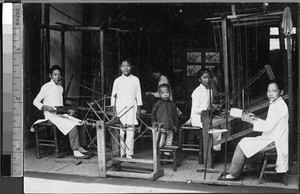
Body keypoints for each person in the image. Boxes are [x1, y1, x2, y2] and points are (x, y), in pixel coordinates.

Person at [222, 80, 289, 180]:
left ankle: (234, 174)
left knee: (242, 144)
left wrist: (251, 121)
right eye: (268, 91)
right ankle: (235, 171)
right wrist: (256, 118)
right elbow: (269, 124)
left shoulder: (279, 107)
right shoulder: (275, 103)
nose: (270, 94)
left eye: (274, 91)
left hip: (275, 142)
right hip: (272, 138)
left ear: (281, 92)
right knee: (243, 142)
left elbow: (268, 127)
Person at [33, 65, 88, 159]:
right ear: (50, 75)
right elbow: (35, 101)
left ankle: (80, 146)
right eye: (55, 75)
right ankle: (75, 150)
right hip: (51, 116)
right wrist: (46, 107)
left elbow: (60, 105)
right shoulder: (46, 87)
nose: (57, 77)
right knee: (72, 126)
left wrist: (67, 111)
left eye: (59, 75)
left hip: (60, 114)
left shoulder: (60, 88)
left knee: (80, 122)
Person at [111, 59, 143, 159]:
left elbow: (138, 95)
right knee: (121, 132)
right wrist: (114, 110)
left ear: (131, 67)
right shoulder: (117, 81)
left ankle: (129, 153)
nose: (125, 68)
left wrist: (138, 109)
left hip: (131, 108)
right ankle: (121, 153)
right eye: (123, 66)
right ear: (120, 68)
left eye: (128, 66)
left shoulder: (136, 80)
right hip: (120, 109)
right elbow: (113, 96)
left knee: (130, 131)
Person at [189, 68, 221, 151]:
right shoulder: (197, 92)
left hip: (206, 117)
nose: (207, 80)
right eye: (204, 78)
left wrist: (214, 106)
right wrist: (209, 108)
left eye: (209, 77)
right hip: (198, 119)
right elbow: (196, 109)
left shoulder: (210, 91)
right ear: (199, 79)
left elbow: (208, 105)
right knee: (215, 131)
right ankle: (210, 152)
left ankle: (213, 150)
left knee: (219, 126)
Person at [151, 84, 178, 152]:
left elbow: (175, 115)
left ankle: (166, 154)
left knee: (169, 142)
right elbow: (153, 114)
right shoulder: (158, 104)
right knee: (160, 142)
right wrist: (155, 124)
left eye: (167, 92)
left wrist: (176, 125)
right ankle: (158, 155)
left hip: (170, 127)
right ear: (159, 94)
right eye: (163, 93)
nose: (165, 94)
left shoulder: (172, 104)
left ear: (170, 93)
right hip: (161, 128)